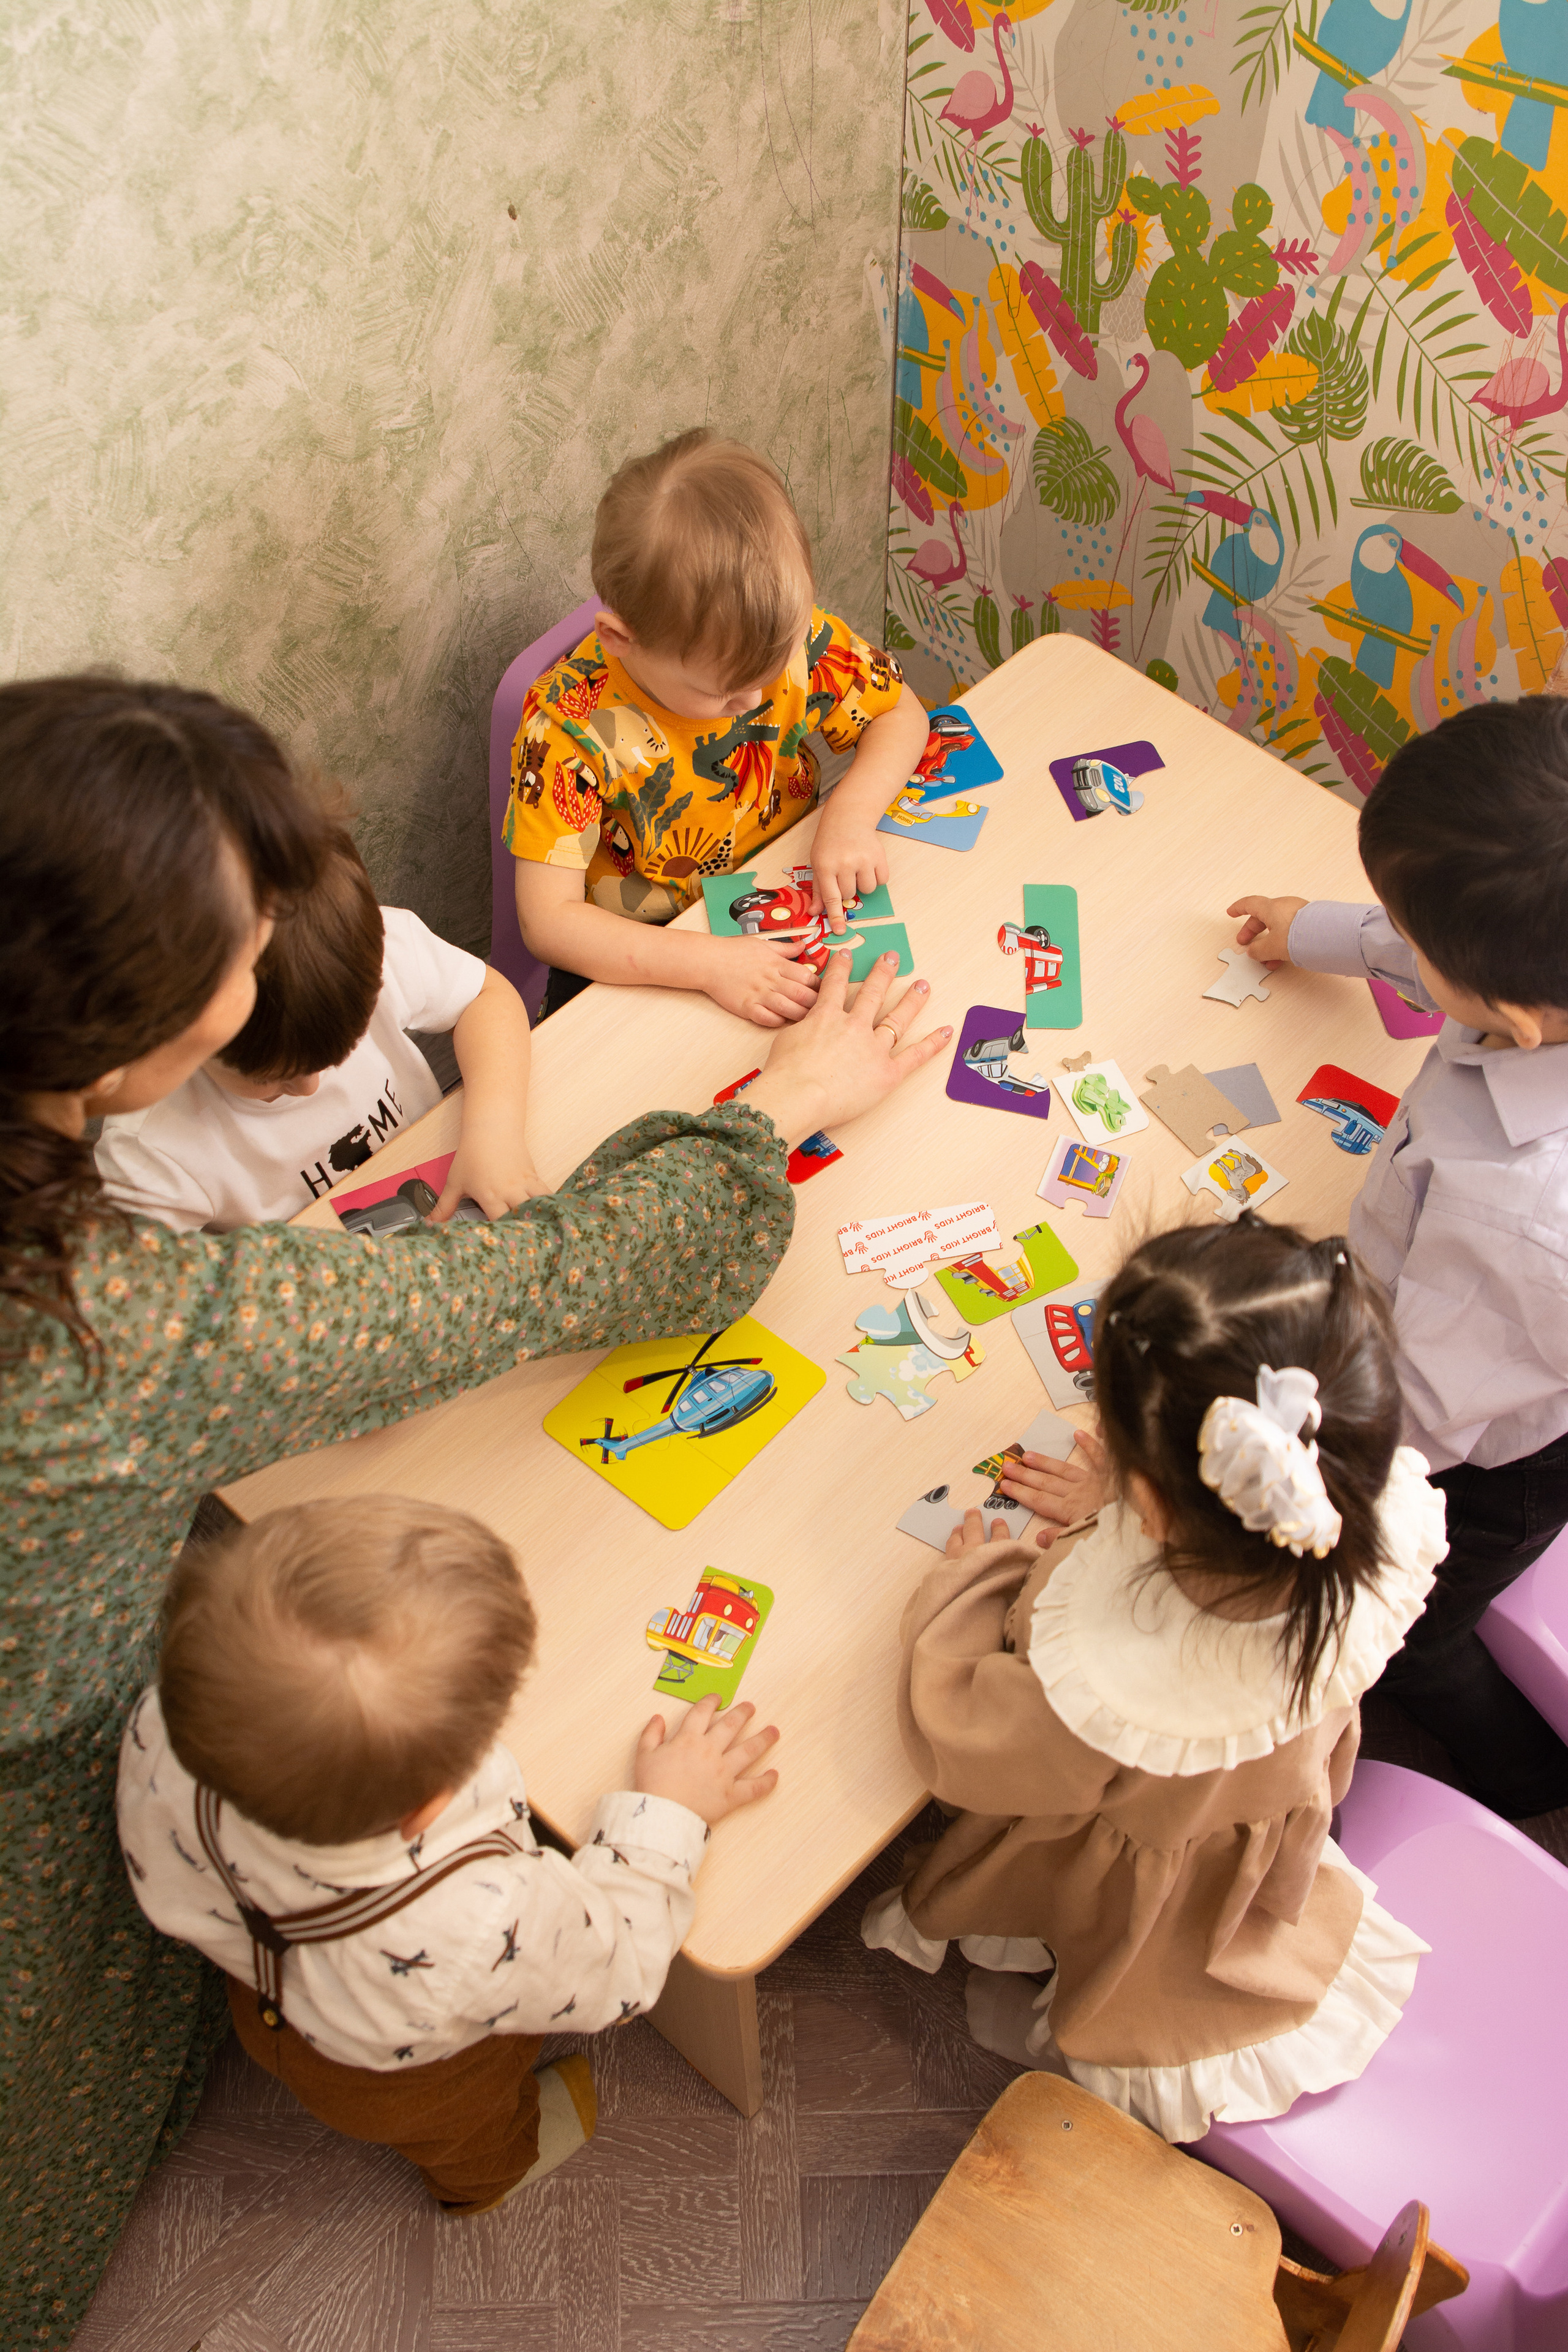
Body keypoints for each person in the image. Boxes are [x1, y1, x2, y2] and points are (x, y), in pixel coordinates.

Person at [0, 672, 948, 2348]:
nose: (275, 944)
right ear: (132, 1047)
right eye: (245, 941)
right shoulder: (118, 1320)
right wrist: (785, 1104)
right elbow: (544, 1277)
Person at [862, 1219, 1447, 2144]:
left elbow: (965, 1741)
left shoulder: (1113, 1679)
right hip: (1243, 1825)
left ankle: (1069, 2032)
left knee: (1109, 1990)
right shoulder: (1355, 1522)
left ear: (1155, 1500)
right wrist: (1123, 1505)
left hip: (1142, 1874)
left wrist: (962, 1589)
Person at [118, 1494, 778, 2212]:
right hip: (408, 2076)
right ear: (429, 1805)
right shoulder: (477, 1917)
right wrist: (669, 1811)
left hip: (263, 1983)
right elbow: (617, 1971)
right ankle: (485, 2182)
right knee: (470, 2130)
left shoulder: (167, 1726)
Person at [1227, 695, 1568, 1817]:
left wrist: (1250, 1438)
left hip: (1485, 1460)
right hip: (1464, 1336)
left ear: (1513, 1018)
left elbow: (1413, 1416)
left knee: (1416, 1634)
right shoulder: (1537, 973)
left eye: (1412, 938)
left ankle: (1530, 1785)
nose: (1402, 947)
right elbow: (1435, 948)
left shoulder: (1521, 1214)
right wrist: (1310, 928)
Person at [507, 428, 932, 1025]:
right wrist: (708, 963)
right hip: (643, 952)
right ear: (620, 640)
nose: (758, 698)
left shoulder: (792, 642)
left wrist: (850, 815)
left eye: (772, 668)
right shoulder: (567, 727)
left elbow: (898, 712)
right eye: (726, 692)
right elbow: (548, 923)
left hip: (776, 893)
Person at [95, 823, 543, 1231]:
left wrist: (493, 1130)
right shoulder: (150, 1151)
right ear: (180, 1037)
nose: (310, 1087)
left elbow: (486, 997)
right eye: (271, 1077)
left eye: (339, 1053)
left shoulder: (361, 948)